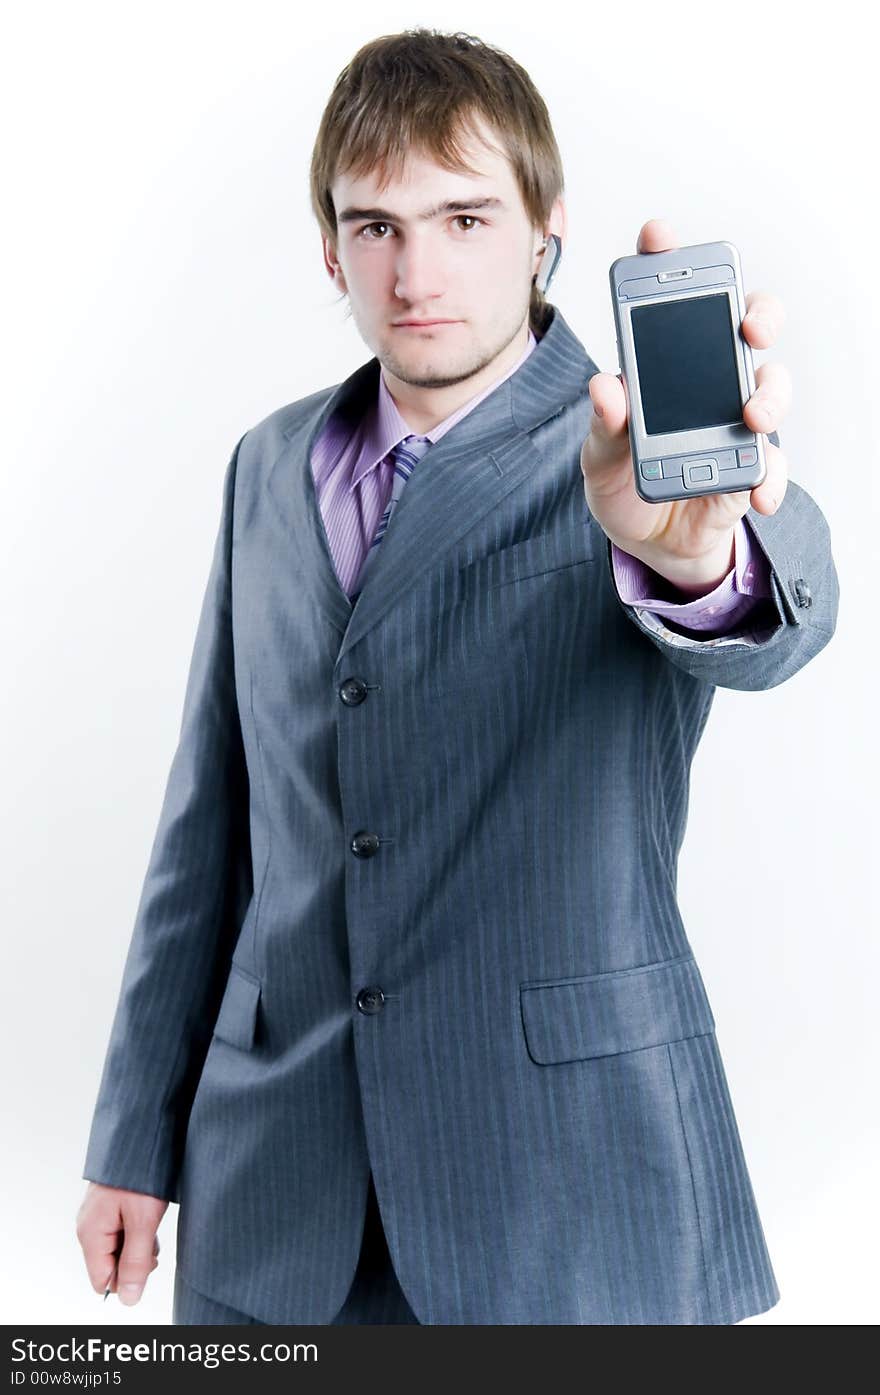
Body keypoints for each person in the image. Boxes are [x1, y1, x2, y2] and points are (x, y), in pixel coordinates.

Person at [76, 28, 839, 1326]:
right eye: (374, 226)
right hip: (276, 1193)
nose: (415, 270)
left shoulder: (632, 452)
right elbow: (208, 828)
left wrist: (704, 554)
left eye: (463, 218)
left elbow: (774, 605)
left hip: (563, 1189)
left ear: (544, 228)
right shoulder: (269, 465)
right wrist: (131, 1139)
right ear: (330, 249)